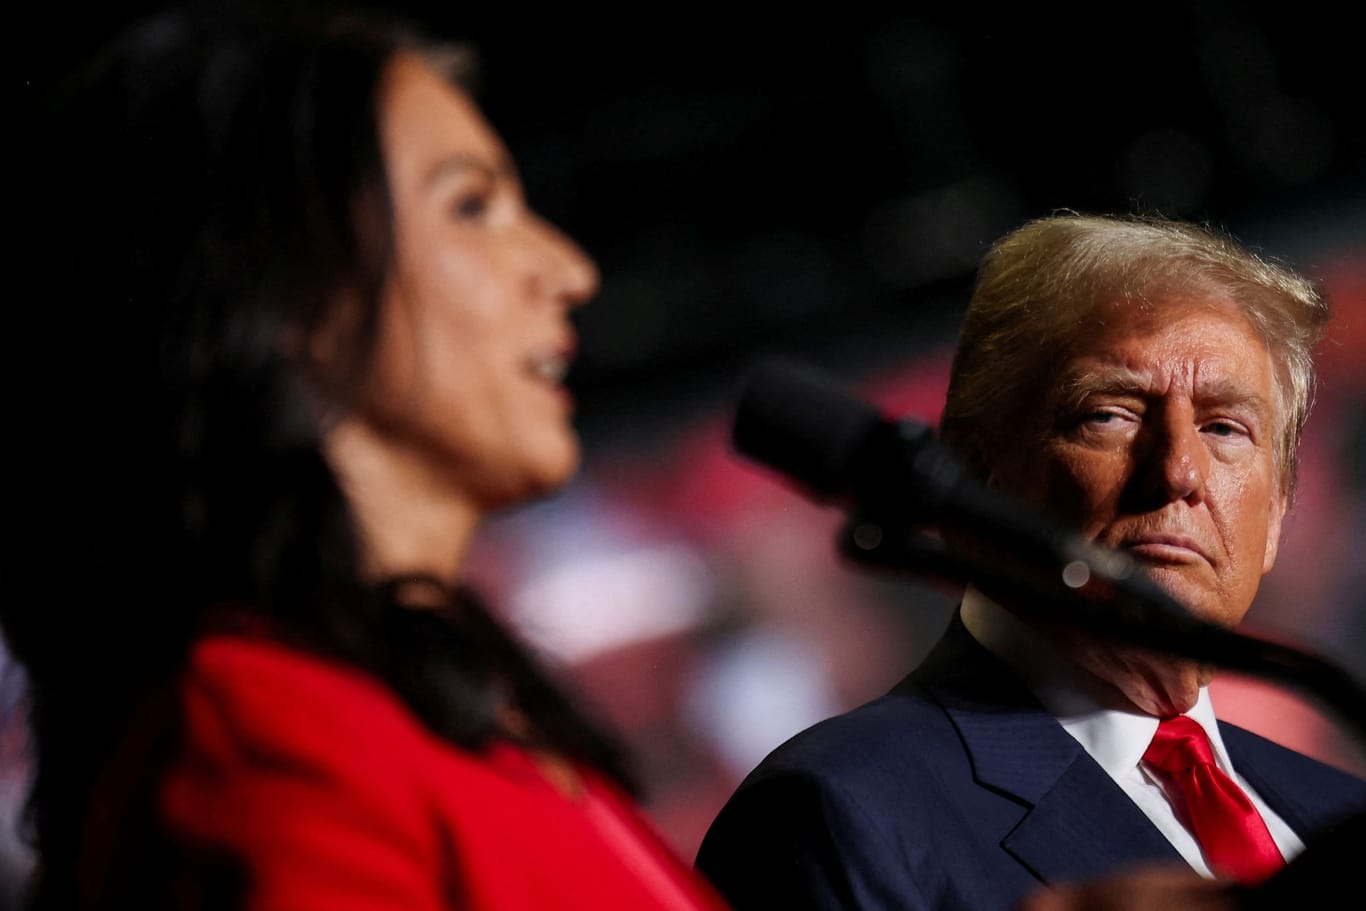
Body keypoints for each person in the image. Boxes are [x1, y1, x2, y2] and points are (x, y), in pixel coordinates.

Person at [1, 4, 731, 910]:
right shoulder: (270, 734)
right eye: (471, 205)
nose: (568, 268)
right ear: (286, 290)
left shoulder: (429, 711)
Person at [693, 212, 1366, 909]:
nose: (1178, 471)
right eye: (1111, 414)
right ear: (977, 465)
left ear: (1278, 514)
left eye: (1225, 427)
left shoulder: (1341, 812)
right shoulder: (838, 811)